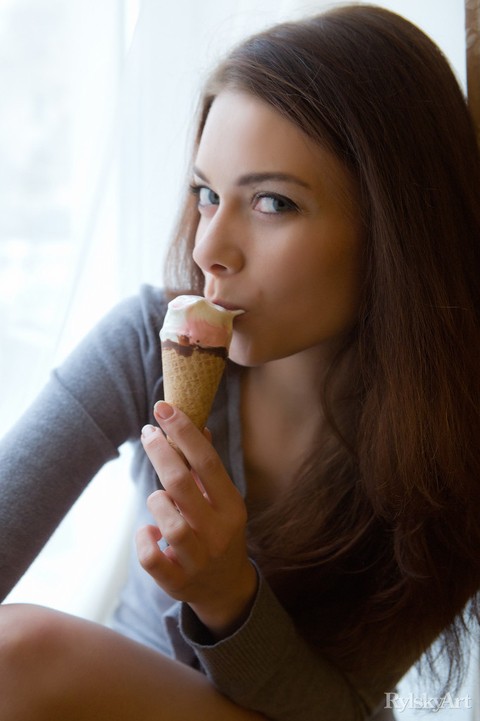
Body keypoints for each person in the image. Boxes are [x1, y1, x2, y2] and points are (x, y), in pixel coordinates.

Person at [1, 4, 479, 720]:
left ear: (394, 229)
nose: (206, 249)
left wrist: (229, 595)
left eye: (273, 202)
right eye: (207, 194)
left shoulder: (456, 442)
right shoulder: (150, 341)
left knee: (23, 650)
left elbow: (341, 711)